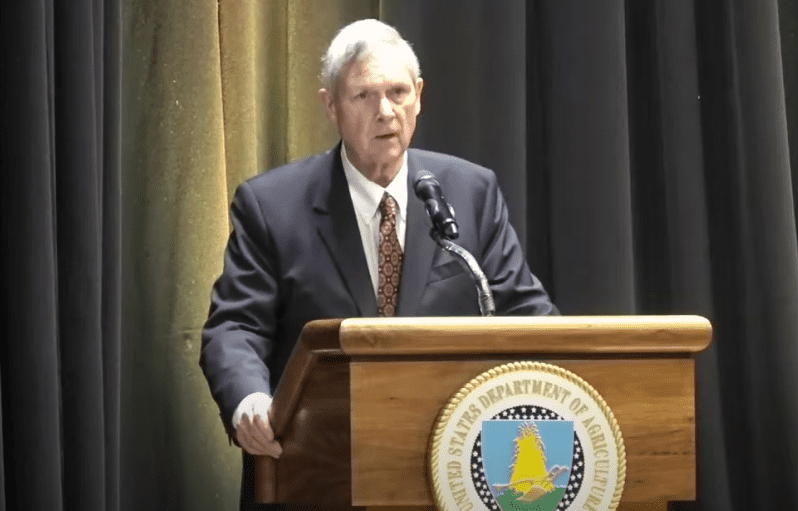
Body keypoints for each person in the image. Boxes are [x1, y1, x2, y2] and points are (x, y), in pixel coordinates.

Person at [199, 18, 556, 507]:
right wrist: (250, 403)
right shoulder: (272, 205)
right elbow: (236, 326)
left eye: (398, 92)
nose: (385, 111)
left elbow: (528, 316)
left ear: (420, 95)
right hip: (316, 466)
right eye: (363, 96)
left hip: (448, 467)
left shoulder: (470, 192)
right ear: (331, 105)